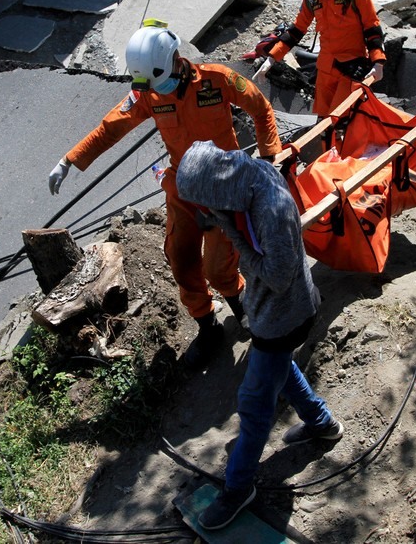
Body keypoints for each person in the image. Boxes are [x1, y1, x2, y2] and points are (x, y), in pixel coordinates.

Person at [48, 24, 282, 366]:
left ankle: (240, 303)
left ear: (175, 58)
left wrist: (269, 156)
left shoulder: (218, 80)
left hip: (224, 185)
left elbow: (260, 108)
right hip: (183, 187)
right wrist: (69, 160)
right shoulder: (149, 93)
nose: (163, 91)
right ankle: (207, 325)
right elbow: (110, 127)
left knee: (217, 268)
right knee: (181, 258)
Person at [176, 140, 343, 530]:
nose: (205, 214)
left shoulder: (270, 207)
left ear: (216, 189)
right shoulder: (243, 183)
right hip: (270, 311)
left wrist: (234, 241)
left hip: (286, 314)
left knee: (253, 404)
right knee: (279, 369)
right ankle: (322, 424)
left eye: (204, 204)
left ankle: (238, 490)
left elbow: (279, 277)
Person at [254, 0, 386, 123]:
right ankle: (326, 151)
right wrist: (272, 58)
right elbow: (295, 31)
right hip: (325, 70)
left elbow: (371, 27)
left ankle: (344, 152)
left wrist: (378, 62)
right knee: (323, 122)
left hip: (351, 67)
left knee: (341, 121)